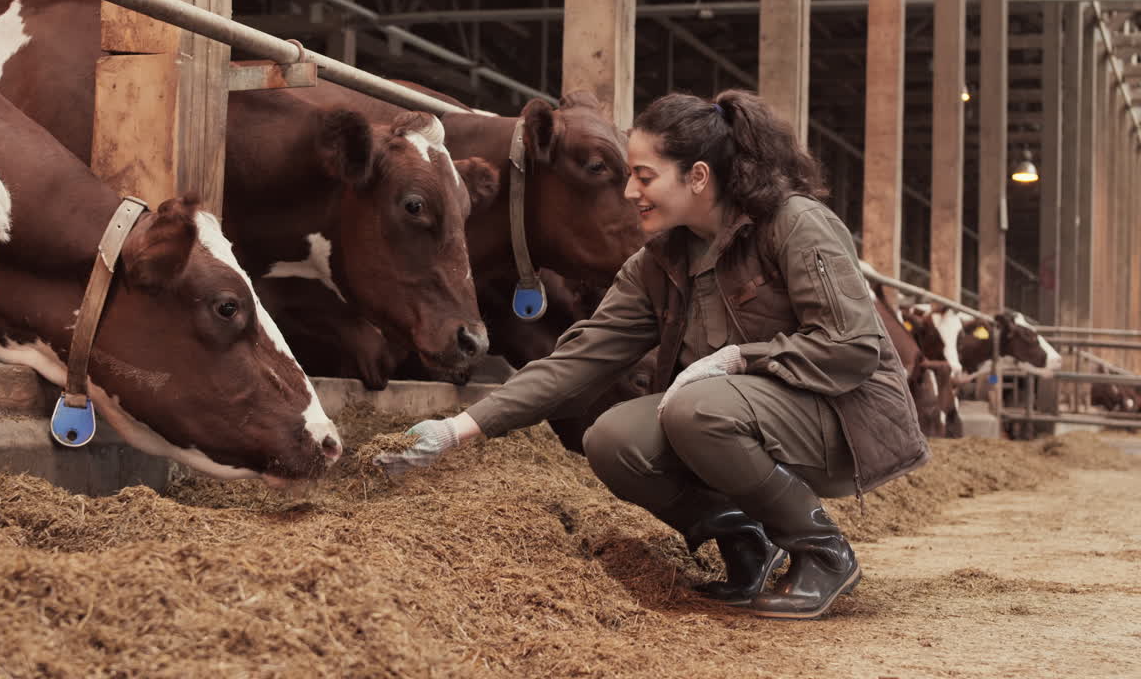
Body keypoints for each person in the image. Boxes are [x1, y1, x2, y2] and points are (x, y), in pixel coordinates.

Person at [376, 90, 930, 620]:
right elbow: (580, 357)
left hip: (843, 420)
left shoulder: (795, 224)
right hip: (743, 420)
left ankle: (824, 552)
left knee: (697, 410)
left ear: (697, 177)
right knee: (614, 440)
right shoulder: (660, 261)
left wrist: (742, 358)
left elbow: (851, 347)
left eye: (643, 176)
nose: (629, 192)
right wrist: (458, 429)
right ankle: (747, 542)